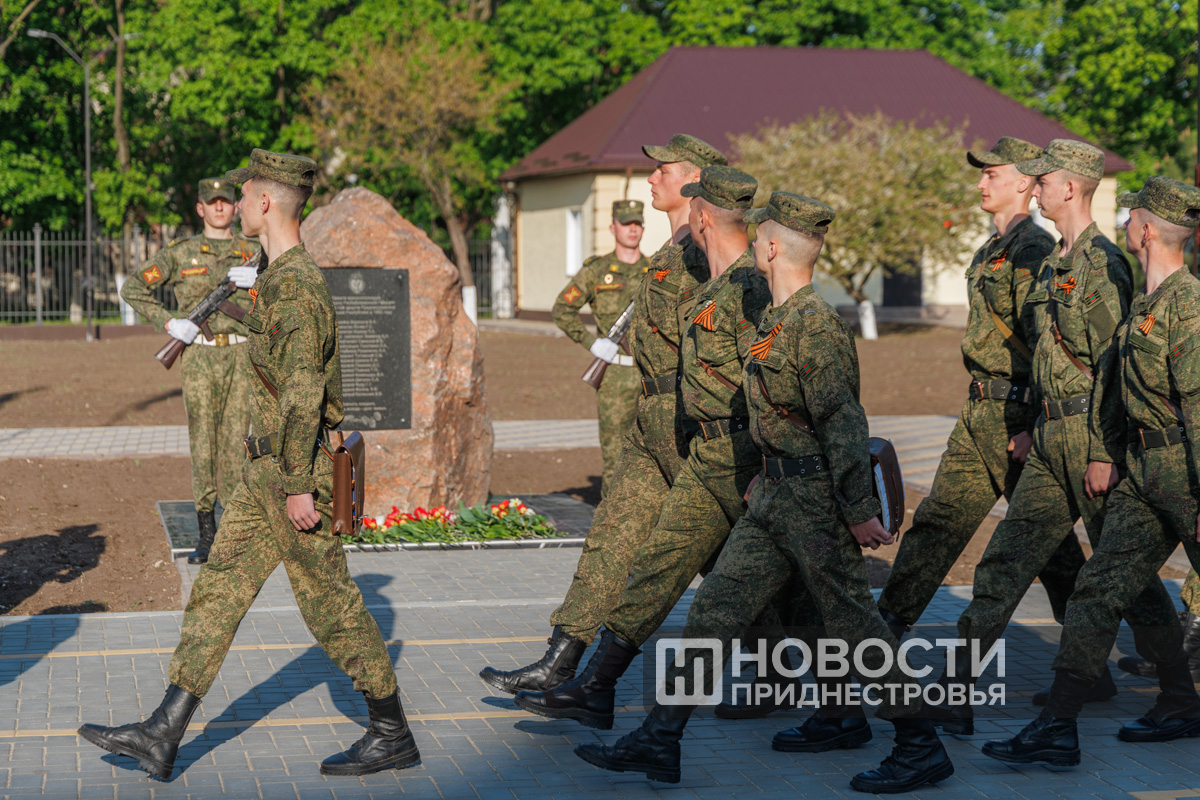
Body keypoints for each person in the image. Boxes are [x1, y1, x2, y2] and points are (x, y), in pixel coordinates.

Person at [573, 192, 954, 794]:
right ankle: (660, 738)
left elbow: (843, 423)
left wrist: (858, 510)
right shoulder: (776, 320)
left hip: (815, 503)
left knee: (855, 627)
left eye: (758, 237)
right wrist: (765, 467)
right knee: (714, 610)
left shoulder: (815, 326)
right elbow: (778, 412)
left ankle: (920, 743)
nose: (750, 242)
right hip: (772, 494)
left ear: (774, 248)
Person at [78, 150, 419, 780]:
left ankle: (391, 731)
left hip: (292, 476)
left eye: (244, 194)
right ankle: (163, 731)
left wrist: (298, 486)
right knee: (217, 589)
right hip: (264, 475)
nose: (235, 205)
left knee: (331, 608)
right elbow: (275, 352)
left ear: (265, 202)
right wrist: (222, 310)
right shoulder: (275, 277)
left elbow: (303, 393)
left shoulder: (297, 285)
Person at [511, 166, 778, 731]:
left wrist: (772, 456)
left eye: (665, 168)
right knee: (639, 553)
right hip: (664, 424)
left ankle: (838, 697)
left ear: (699, 194)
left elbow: (766, 379)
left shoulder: (736, 280)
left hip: (717, 441)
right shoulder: (684, 263)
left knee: (759, 576)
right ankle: (587, 680)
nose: (653, 177)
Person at [930, 140, 1178, 735]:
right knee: (1003, 563)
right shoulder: (1052, 263)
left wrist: (1103, 452)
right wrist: (1029, 425)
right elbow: (1041, 355)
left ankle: (1177, 691)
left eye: (1043, 181)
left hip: (1091, 437)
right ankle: (956, 691)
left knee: (1129, 581)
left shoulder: (1104, 265)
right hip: (1048, 435)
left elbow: (1115, 368)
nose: (1034, 188)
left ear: (1070, 189)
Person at [477, 135, 727, 696]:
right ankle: (561, 660)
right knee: (610, 538)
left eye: (662, 170)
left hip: (691, 429)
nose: (651, 178)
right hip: (649, 421)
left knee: (732, 557)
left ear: (693, 180)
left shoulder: (707, 258)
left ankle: (800, 667)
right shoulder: (667, 253)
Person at [983, 176, 1200, 766]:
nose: (1126, 222)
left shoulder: (1187, 305)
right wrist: (1107, 451)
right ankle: (1064, 724)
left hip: (1185, 472)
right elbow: (1113, 392)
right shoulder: (1148, 304)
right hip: (1144, 470)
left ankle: (1177, 701)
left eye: (1133, 216)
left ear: (1147, 231)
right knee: (1097, 592)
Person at [874, 137, 1091, 705]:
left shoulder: (1034, 251)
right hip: (982, 412)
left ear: (1024, 182)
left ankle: (1108, 661)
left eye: (992, 174)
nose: (980, 183)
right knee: (944, 525)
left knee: (1043, 547)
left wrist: (1033, 422)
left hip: (1018, 416)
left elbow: (1049, 344)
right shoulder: (989, 250)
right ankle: (883, 631)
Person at [120, 178, 260, 564]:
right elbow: (132, 288)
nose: (219, 208)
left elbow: (284, 294)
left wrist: (261, 281)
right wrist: (170, 323)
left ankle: (232, 534)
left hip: (241, 354)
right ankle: (206, 535)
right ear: (200, 208)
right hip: (199, 356)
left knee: (236, 442)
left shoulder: (255, 252)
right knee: (203, 443)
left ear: (235, 207)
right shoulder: (180, 253)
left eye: (225, 201)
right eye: (212, 202)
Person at [552, 200, 650, 496]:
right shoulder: (597, 271)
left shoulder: (654, 270)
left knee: (651, 455)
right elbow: (562, 309)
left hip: (650, 375)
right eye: (626, 223)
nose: (632, 229)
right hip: (614, 378)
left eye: (637, 223)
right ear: (612, 228)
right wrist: (592, 343)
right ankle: (611, 514)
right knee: (615, 456)